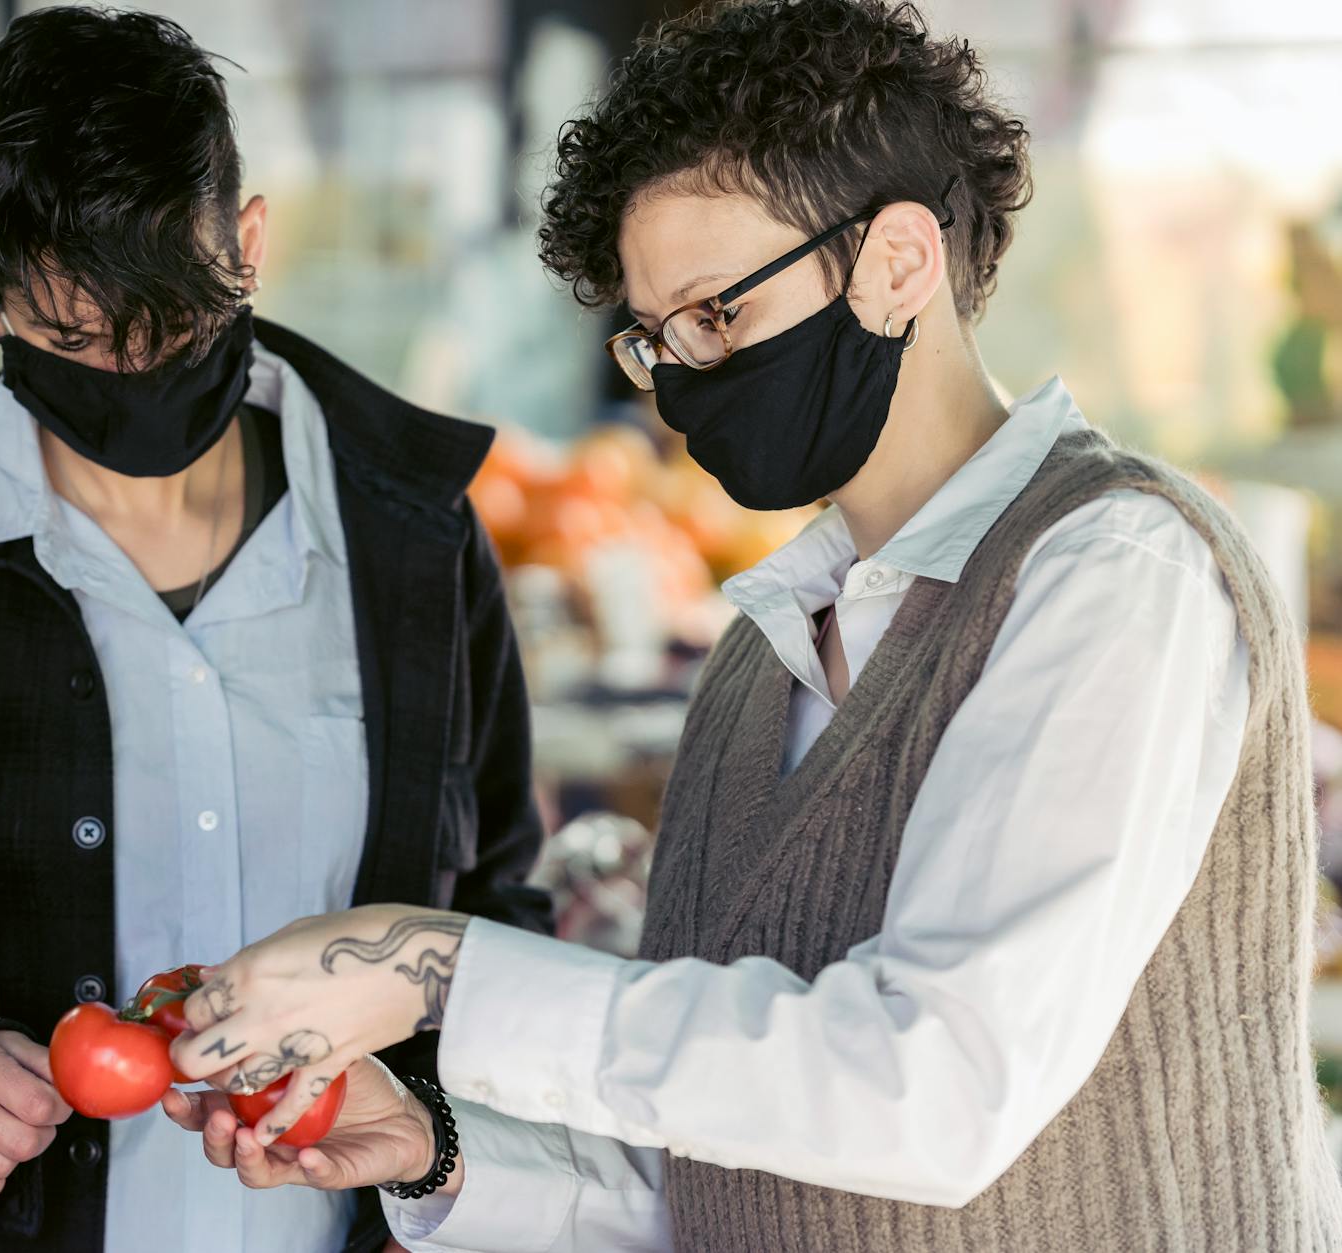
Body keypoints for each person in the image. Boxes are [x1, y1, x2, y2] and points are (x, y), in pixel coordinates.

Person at [161, 3, 1342, 1250]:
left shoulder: (1115, 573)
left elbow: (931, 1089)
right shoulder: (754, 657)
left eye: (717, 315)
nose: (681, 383)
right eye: (655, 339)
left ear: (897, 263)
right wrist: (440, 1144)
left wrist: (435, 966)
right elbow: (740, 1161)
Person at [0, 8, 550, 1253]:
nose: (134, 369)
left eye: (176, 324)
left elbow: (497, 920)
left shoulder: (414, 545)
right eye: (76, 338)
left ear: (245, 245)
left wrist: (420, 1116)